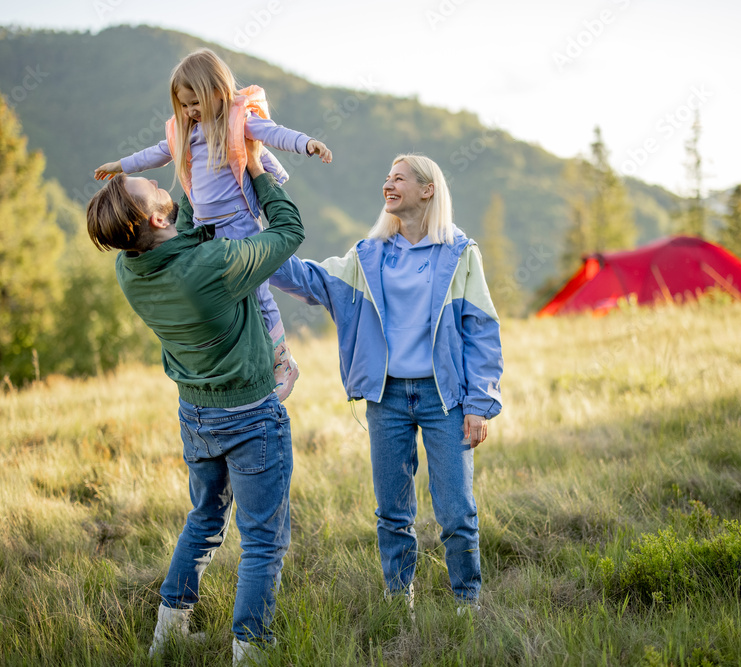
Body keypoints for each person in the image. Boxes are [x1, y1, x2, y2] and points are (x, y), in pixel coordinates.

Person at [86, 137, 303, 664]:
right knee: (263, 540)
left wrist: (196, 158)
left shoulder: (131, 269)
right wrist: (253, 168)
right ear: (157, 221)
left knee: (205, 517)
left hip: (196, 414)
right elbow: (288, 232)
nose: (162, 184)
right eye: (154, 188)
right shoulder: (213, 266)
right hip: (250, 413)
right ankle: (251, 648)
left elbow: (180, 229)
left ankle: (170, 631)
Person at [270, 154, 503, 612]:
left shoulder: (460, 254)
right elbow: (308, 279)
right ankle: (399, 604)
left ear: (428, 189)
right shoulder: (366, 255)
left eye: (399, 178)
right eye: (386, 177)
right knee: (393, 513)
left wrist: (480, 402)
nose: (388, 185)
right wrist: (255, 243)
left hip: (446, 399)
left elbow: (482, 331)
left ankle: (467, 603)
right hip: (387, 397)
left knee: (456, 510)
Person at [94, 47, 332, 401]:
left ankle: (283, 358)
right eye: (184, 105)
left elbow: (275, 133)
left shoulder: (239, 121)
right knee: (250, 284)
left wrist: (307, 143)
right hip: (206, 226)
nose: (190, 111)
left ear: (219, 92)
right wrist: (122, 165)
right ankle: (318, 294)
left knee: (259, 290)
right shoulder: (186, 132)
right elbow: (156, 153)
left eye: (196, 103)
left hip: (237, 222)